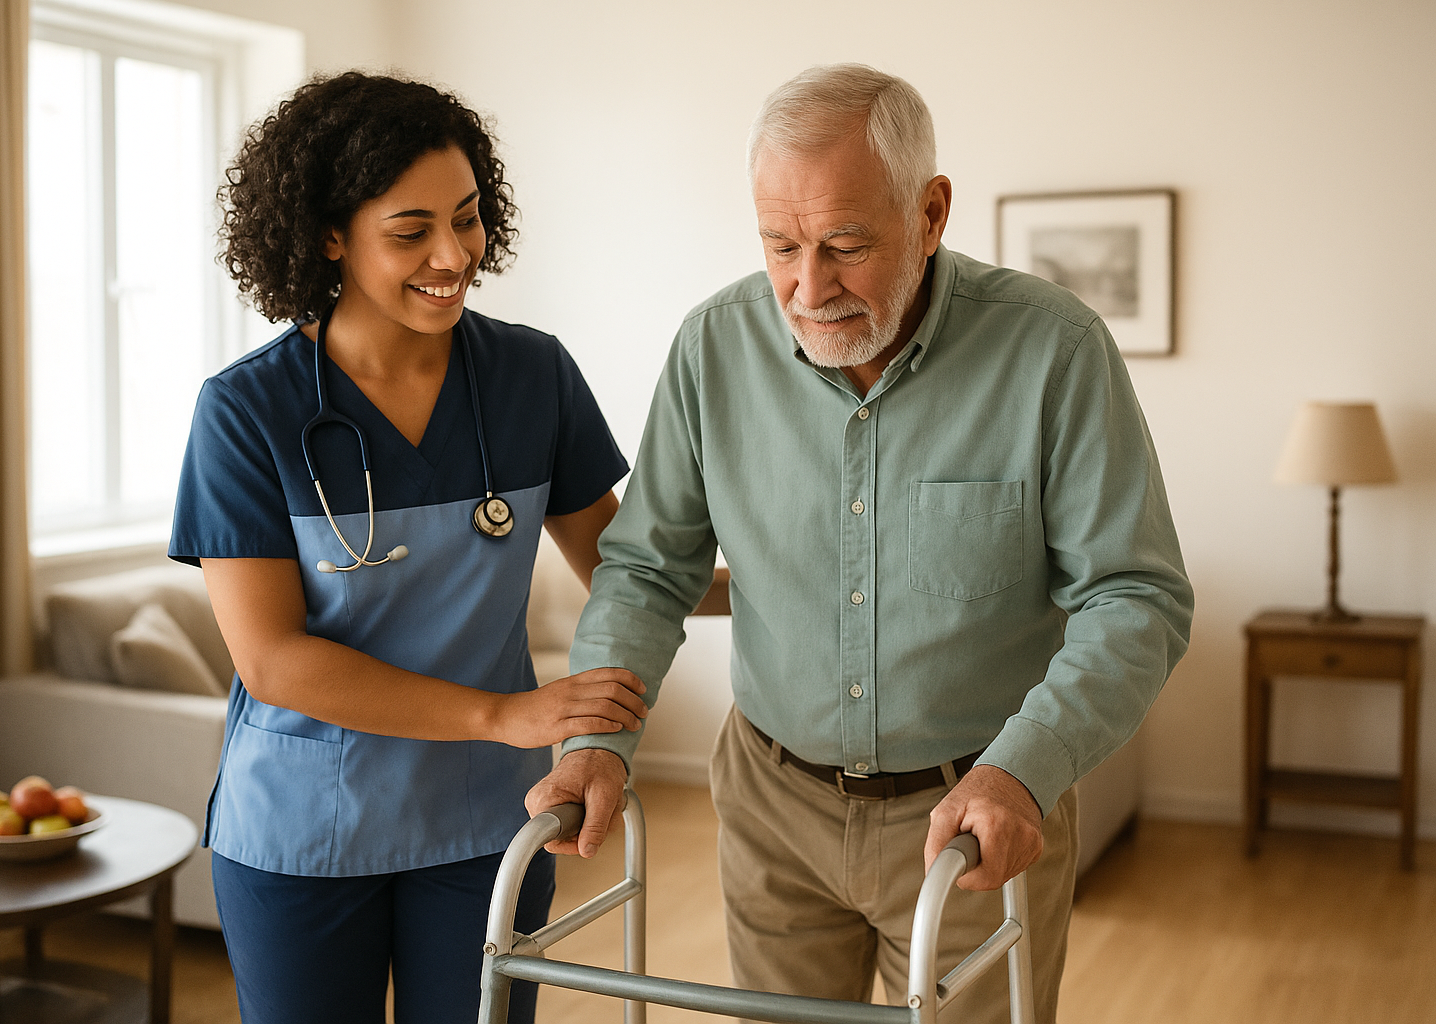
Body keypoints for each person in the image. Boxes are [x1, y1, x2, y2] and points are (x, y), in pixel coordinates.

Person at [526, 64, 1194, 1023]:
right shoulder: (714, 348)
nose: (808, 285)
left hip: (976, 810)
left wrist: (1026, 767)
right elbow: (643, 569)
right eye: (781, 245)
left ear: (931, 213)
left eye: (845, 244)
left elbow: (1137, 595)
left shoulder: (1053, 351)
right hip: (771, 805)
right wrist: (597, 739)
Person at [168, 72, 647, 1024]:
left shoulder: (530, 376)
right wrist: (503, 715)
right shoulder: (246, 412)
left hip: (483, 830)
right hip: (304, 837)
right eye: (411, 231)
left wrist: (803, 582)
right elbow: (273, 661)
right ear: (331, 236)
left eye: (467, 220)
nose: (452, 255)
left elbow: (631, 573)